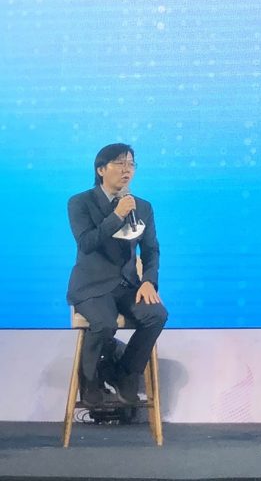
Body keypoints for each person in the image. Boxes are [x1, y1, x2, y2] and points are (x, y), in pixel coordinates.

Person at [67, 143, 167, 406]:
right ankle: (89, 379)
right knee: (104, 324)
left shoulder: (142, 207)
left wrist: (148, 281)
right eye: (120, 164)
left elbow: (151, 249)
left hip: (127, 285)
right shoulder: (80, 202)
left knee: (156, 315)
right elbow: (87, 243)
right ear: (101, 169)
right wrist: (116, 215)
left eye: (131, 164)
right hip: (91, 286)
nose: (127, 170)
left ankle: (124, 372)